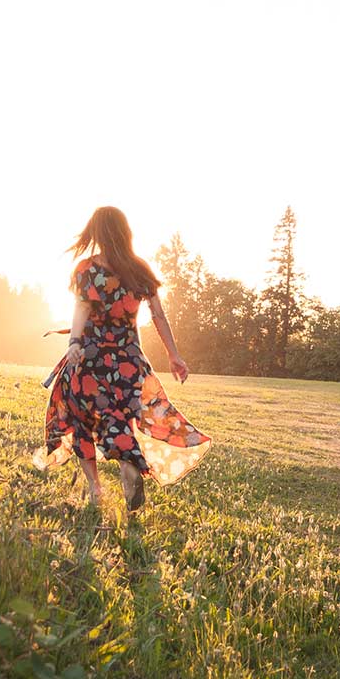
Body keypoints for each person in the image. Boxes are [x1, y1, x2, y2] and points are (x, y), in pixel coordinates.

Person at [34, 206, 211, 510]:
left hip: (91, 357)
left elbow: (82, 310)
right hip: (129, 360)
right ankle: (129, 466)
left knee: (81, 418)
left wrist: (75, 342)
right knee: (121, 420)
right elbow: (158, 315)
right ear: (125, 231)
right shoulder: (139, 269)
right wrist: (173, 355)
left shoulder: (87, 269)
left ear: (96, 232)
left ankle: (95, 490)